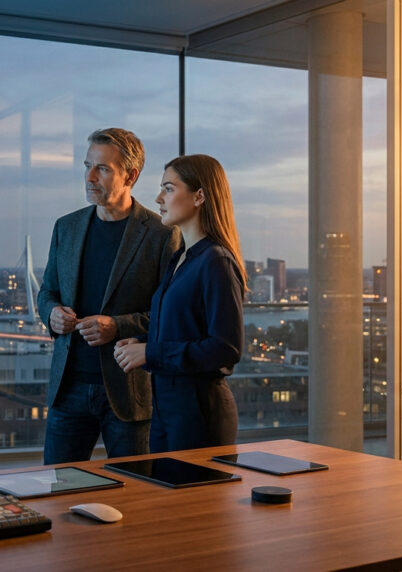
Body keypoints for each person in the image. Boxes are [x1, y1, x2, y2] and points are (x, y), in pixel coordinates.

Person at [38, 127, 181, 463]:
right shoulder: (66, 227)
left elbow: (169, 316)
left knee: (136, 496)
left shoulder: (162, 234)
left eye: (102, 168)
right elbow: (47, 292)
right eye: (88, 165)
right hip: (67, 389)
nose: (89, 177)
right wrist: (52, 313)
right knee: (59, 493)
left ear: (130, 175)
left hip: (128, 392)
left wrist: (117, 326)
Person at [113, 154, 246, 453]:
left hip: (199, 415)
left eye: (169, 188)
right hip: (167, 411)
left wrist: (151, 352)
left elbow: (226, 348)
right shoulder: (181, 258)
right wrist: (142, 342)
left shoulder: (216, 261)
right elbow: (185, 330)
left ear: (199, 196)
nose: (159, 197)